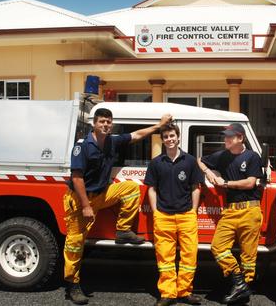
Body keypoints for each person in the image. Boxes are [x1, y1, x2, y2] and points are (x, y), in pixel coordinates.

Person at [63, 107, 172, 305]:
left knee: (130, 189)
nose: (105, 125)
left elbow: (136, 135)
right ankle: (72, 284)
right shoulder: (83, 146)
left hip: (102, 194)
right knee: (74, 244)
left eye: (108, 122)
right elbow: (77, 178)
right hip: (81, 199)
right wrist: (86, 206)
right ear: (94, 124)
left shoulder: (112, 141)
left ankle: (123, 231)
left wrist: (159, 126)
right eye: (101, 121)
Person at [197, 122, 264, 305]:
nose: (225, 139)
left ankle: (243, 290)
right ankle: (239, 281)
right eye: (225, 136)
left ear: (240, 138)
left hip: (250, 210)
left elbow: (250, 183)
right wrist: (208, 172)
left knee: (248, 256)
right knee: (217, 247)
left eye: (230, 136)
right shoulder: (222, 156)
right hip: (230, 211)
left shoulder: (252, 157)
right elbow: (200, 160)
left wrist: (225, 183)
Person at [144, 123, 204, 306]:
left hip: (186, 215)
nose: (169, 139)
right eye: (166, 137)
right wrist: (156, 212)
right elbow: (151, 189)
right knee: (165, 257)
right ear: (162, 140)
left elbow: (196, 187)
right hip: (164, 216)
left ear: (178, 137)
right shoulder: (156, 163)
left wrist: (193, 211)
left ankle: (185, 292)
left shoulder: (190, 161)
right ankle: (168, 294)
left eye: (172, 136)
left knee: (189, 256)